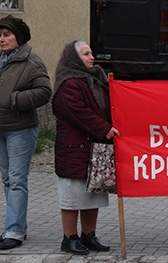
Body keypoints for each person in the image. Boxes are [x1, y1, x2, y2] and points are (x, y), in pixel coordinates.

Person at [52, 40, 119, 255]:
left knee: (92, 195)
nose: (92, 57)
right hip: (74, 148)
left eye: (91, 53)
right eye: (86, 54)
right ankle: (69, 238)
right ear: (74, 58)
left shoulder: (96, 80)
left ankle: (89, 235)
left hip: (94, 148)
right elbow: (78, 112)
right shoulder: (69, 83)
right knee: (72, 196)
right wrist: (104, 129)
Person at [0, 15, 52, 250]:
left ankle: (14, 231)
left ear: (18, 38)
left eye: (7, 34)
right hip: (0, 128)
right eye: (0, 35)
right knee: (8, 179)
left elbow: (44, 91)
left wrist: (14, 99)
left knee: (18, 180)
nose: (2, 39)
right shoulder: (0, 59)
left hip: (20, 129)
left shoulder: (31, 61)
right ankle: (16, 224)